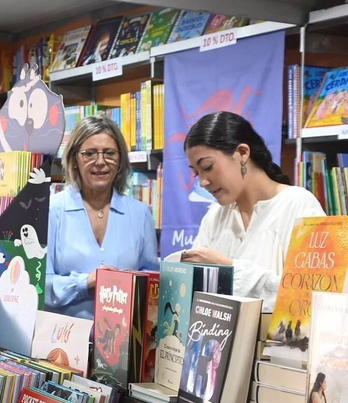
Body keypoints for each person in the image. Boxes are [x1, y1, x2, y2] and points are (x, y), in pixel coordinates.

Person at [172, 111, 324, 306]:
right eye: (196, 173)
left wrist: (229, 269)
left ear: (242, 153)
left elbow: (308, 298)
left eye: (208, 167)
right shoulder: (215, 216)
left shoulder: (298, 204)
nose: (203, 182)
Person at [45, 115, 159, 318]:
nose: (100, 162)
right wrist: (86, 282)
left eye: (109, 153)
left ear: (120, 160)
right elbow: (39, 284)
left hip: (122, 343)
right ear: (74, 160)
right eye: (89, 154)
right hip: (62, 342)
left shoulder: (140, 214)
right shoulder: (52, 210)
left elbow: (152, 282)